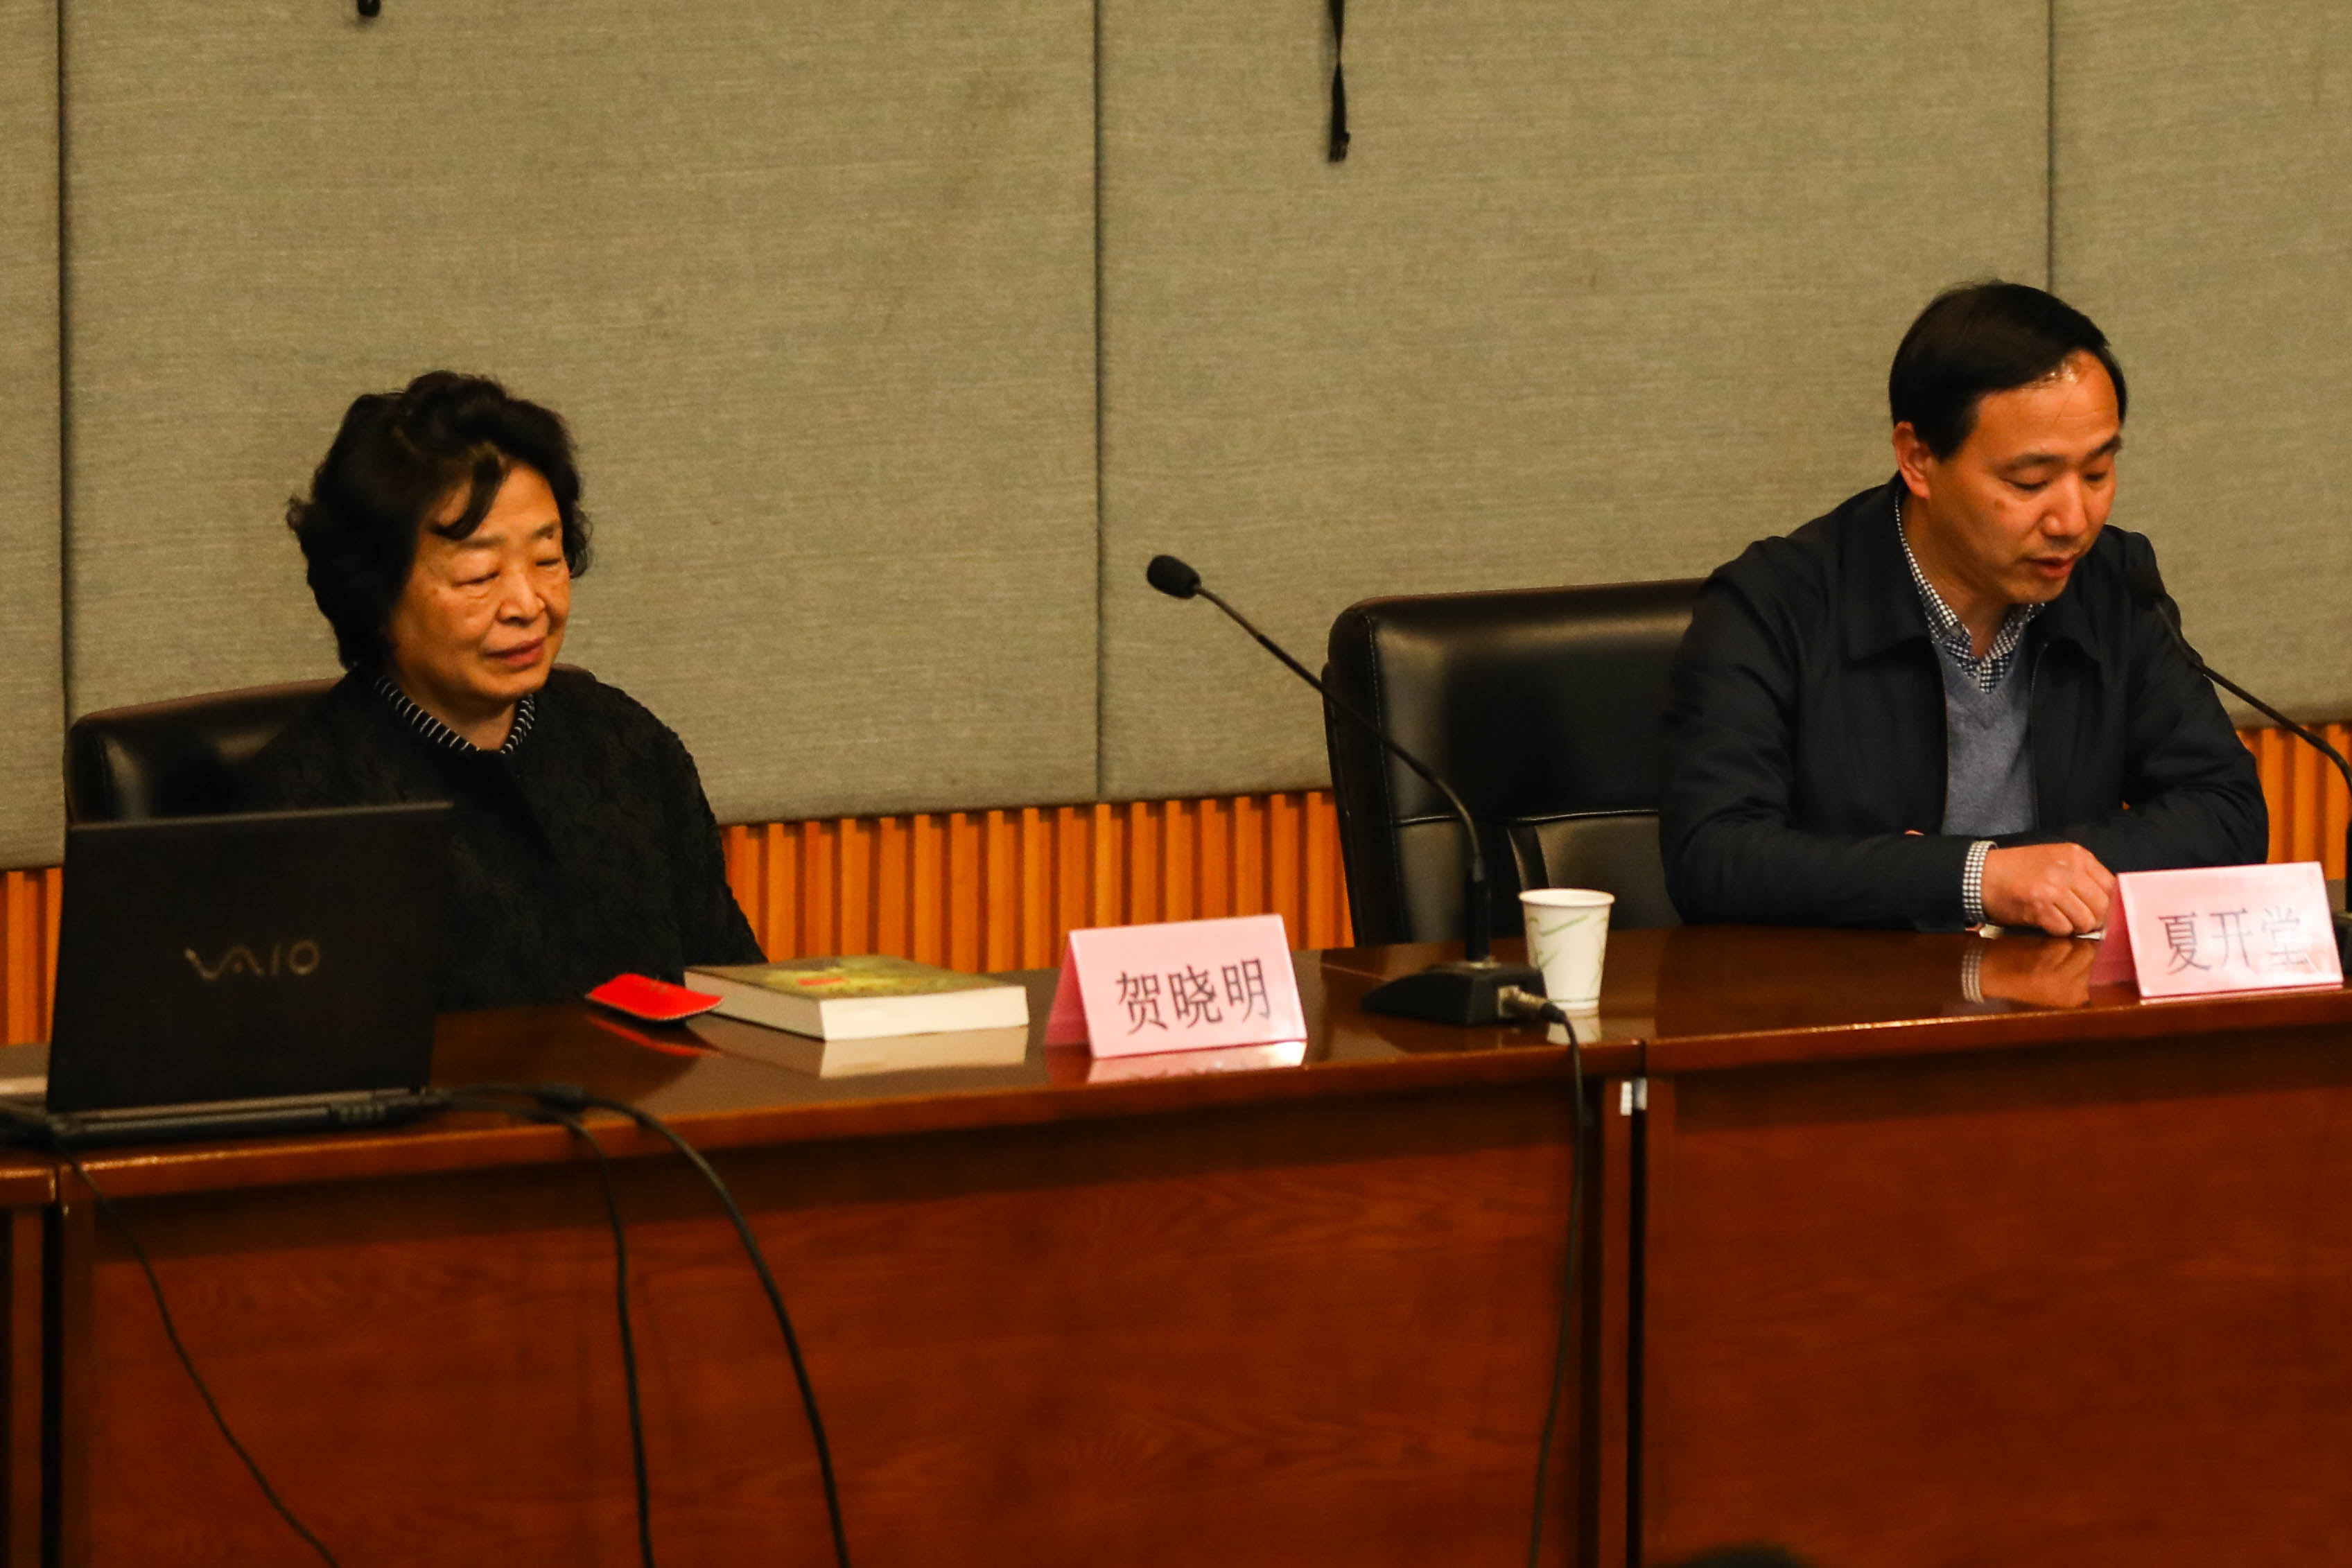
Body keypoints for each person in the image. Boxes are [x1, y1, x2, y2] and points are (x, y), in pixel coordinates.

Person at [1661, 281, 2266, 934]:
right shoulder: (1773, 605)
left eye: (2096, 474)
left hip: (2052, 984)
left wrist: (1996, 870)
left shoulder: (2113, 584)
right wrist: (1975, 878)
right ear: (1918, 460)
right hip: (1850, 991)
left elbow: (2226, 811)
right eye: (2030, 482)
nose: (2072, 520)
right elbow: (1713, 856)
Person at [243, 371, 765, 1009]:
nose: (528, 604)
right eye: (479, 575)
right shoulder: (308, 802)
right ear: (374, 596)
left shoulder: (629, 746)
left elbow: (737, 999)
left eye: (547, 560)